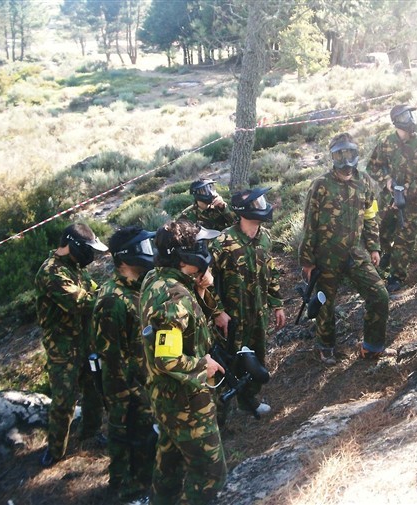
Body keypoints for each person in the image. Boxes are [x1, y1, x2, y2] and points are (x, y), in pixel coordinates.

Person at [139, 220, 227, 505]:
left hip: (165, 396)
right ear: (186, 255)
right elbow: (168, 357)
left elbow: (183, 330)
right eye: (200, 245)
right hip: (185, 402)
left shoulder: (156, 277)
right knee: (210, 474)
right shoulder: (173, 295)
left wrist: (200, 291)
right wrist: (205, 366)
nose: (206, 249)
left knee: (169, 464)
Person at [299, 133, 390, 365]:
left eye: (350, 154)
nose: (346, 161)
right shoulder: (320, 185)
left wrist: (374, 247)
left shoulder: (365, 181)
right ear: (333, 157)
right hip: (326, 256)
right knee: (325, 303)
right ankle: (325, 347)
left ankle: (372, 346)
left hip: (355, 252)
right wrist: (307, 261)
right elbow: (310, 224)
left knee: (379, 295)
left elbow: (371, 215)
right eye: (340, 155)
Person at [92, 226, 157, 501]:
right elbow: (111, 355)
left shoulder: (138, 286)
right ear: (125, 257)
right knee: (127, 438)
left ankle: (146, 483)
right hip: (126, 388)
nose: (149, 252)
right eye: (142, 248)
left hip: (143, 380)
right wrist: (132, 393)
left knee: (145, 438)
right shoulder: (112, 300)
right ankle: (126, 491)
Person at [35, 222, 107, 467]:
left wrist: (104, 292)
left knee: (93, 388)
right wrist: (109, 296)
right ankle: (56, 450)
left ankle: (91, 432)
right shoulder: (51, 271)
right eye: (87, 249)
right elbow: (80, 303)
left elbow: (94, 290)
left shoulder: (76, 268)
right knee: (64, 399)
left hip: (85, 341)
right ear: (70, 245)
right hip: (62, 348)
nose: (90, 255)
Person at [210, 187, 286, 417]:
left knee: (256, 358)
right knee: (229, 363)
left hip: (258, 312)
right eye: (256, 203)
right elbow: (206, 281)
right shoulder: (224, 241)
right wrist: (217, 311)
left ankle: (248, 400)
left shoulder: (265, 237)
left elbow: (271, 272)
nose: (262, 206)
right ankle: (219, 414)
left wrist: (277, 304)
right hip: (232, 317)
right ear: (243, 211)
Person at [366, 104, 417, 292]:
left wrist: (406, 195)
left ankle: (396, 276)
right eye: (405, 116)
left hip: (411, 202)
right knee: (381, 233)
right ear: (396, 121)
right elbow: (372, 167)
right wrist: (386, 180)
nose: (410, 119)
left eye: (411, 115)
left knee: (405, 238)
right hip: (387, 199)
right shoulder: (386, 142)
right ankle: (386, 255)